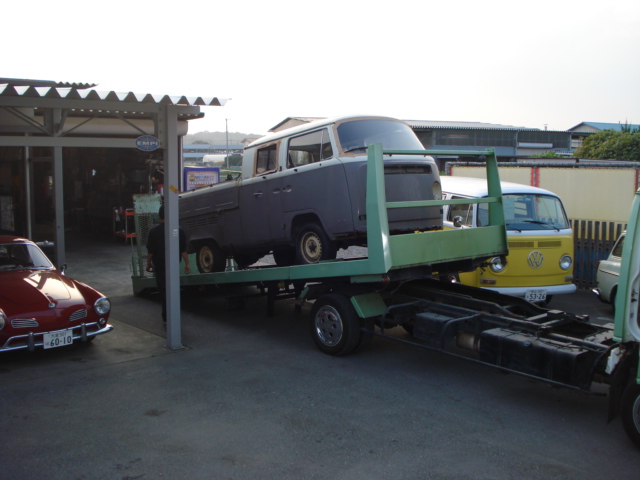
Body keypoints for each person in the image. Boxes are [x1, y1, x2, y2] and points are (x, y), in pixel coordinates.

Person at [146, 204, 190, 325]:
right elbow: (183, 250)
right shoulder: (179, 230)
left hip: (160, 267)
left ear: (159, 215)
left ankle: (166, 318)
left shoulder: (154, 231)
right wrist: (187, 264)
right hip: (174, 266)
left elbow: (150, 252)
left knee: (164, 292)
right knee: (174, 290)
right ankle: (175, 315)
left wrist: (148, 264)